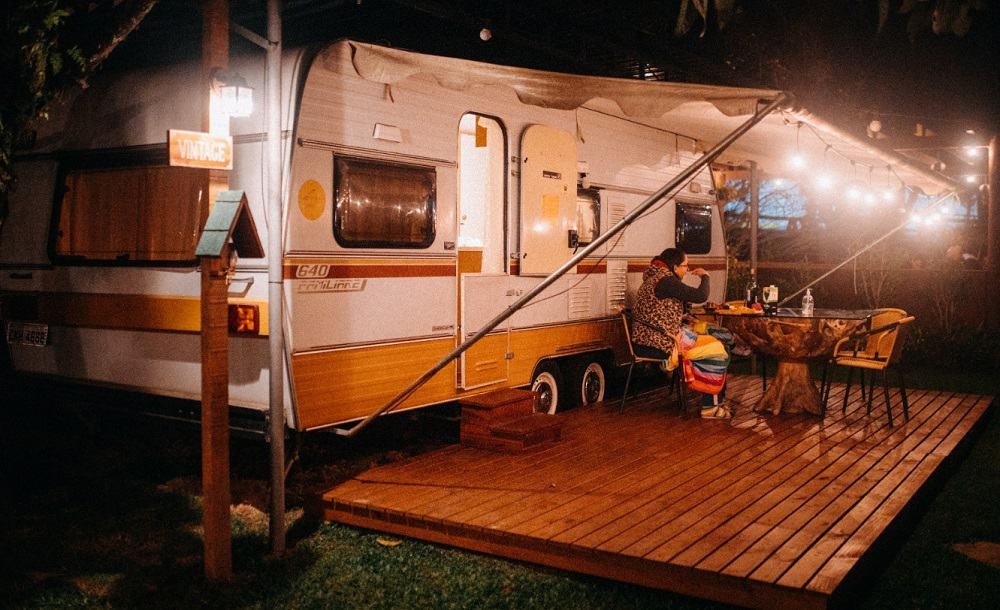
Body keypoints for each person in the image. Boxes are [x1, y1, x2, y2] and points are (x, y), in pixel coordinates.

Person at [631, 247, 731, 418]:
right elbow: (700, 295)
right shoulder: (666, 280)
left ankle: (716, 401)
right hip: (659, 342)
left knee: (715, 343)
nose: (687, 269)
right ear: (675, 267)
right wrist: (705, 276)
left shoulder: (655, 278)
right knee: (716, 349)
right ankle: (710, 407)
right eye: (685, 266)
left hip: (648, 339)